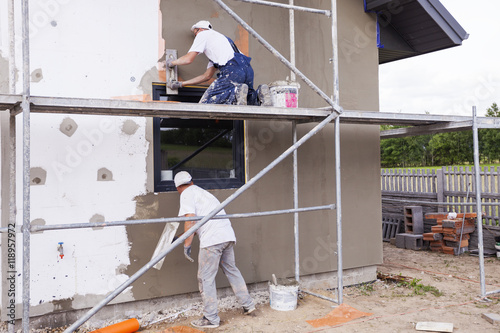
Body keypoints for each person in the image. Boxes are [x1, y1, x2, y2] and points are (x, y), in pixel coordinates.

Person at [174, 171, 255, 329]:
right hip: (227, 236)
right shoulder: (202, 193)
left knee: (205, 278)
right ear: (192, 181)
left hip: (212, 241)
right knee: (231, 270)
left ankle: (210, 318)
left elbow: (190, 219)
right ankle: (248, 304)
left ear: (178, 187)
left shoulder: (186, 194)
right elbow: (197, 225)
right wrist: (181, 237)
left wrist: (187, 246)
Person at [166, 20, 271, 106]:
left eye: (195, 33)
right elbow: (207, 76)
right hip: (247, 69)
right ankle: (259, 94)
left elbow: (188, 59)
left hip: (232, 69)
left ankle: (235, 92)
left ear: (200, 29)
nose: (196, 37)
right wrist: (181, 84)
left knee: (205, 104)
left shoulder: (203, 34)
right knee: (246, 100)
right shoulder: (221, 43)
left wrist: (171, 62)